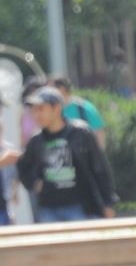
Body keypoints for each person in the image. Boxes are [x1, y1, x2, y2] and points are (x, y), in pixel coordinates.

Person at [15, 85, 116, 223]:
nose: (36, 115)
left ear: (57, 108)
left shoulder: (81, 133)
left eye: (41, 109)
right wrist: (34, 183)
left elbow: (99, 168)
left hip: (81, 207)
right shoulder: (36, 140)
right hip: (48, 209)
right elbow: (23, 165)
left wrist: (108, 202)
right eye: (34, 110)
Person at [50, 74, 107, 151]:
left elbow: (99, 134)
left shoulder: (85, 108)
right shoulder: (51, 112)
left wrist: (97, 158)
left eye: (50, 90)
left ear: (62, 89)